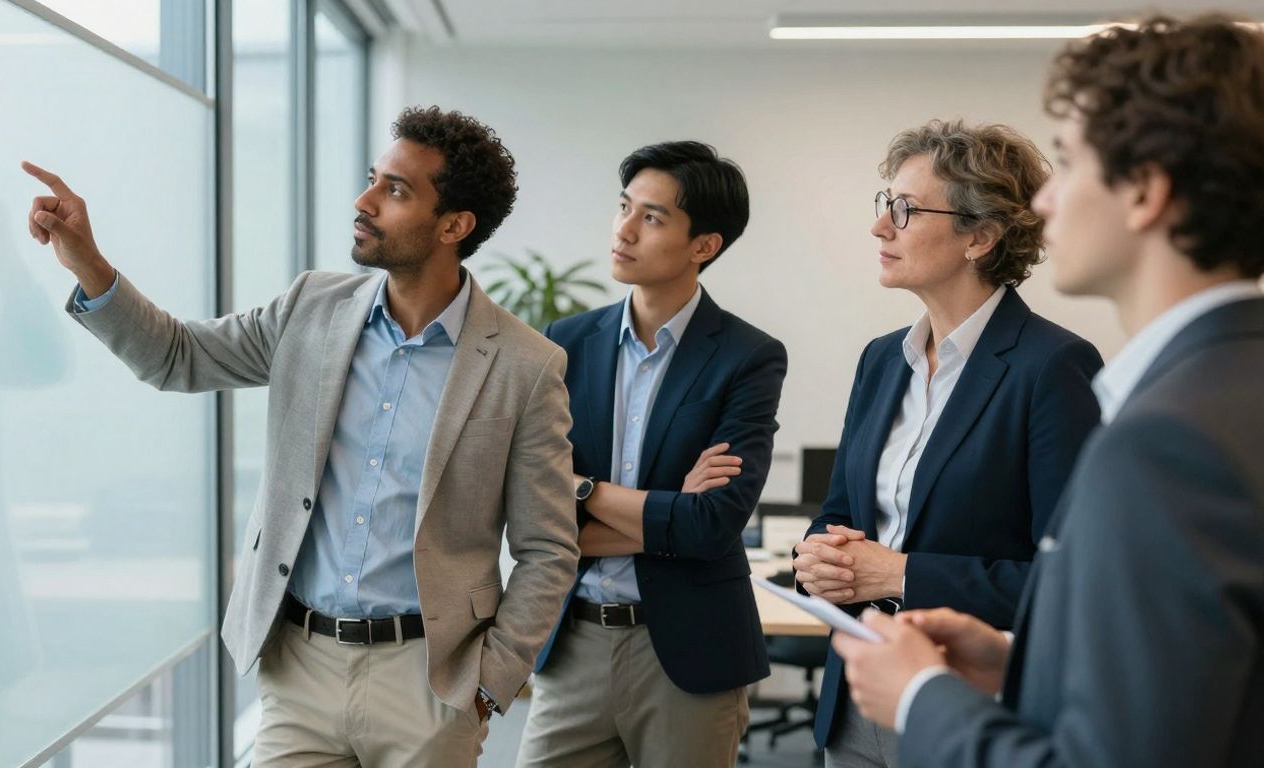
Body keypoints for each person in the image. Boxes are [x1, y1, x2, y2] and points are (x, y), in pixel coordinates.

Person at [22, 106, 581, 767]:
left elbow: (548, 548)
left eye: (395, 191)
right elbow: (176, 356)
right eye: (375, 179)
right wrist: (87, 262)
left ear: (455, 226)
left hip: (430, 679)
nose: (364, 201)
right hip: (299, 670)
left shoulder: (525, 363)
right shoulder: (310, 309)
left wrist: (489, 683)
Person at [832, 15, 1264, 768]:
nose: (1042, 203)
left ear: (1145, 193)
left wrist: (920, 698)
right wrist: (1016, 662)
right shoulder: (1220, 391)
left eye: (1067, 163)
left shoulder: (1167, 438)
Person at [793, 120, 1102, 766]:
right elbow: (842, 515)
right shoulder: (882, 361)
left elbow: (1067, 583)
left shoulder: (1052, 367)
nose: (881, 228)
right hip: (855, 698)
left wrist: (900, 573)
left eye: (903, 210)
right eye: (885, 206)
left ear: (980, 237)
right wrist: (822, 558)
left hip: (969, 710)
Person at [515, 141, 788, 767]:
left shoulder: (748, 356)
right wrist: (668, 514)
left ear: (704, 246)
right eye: (623, 207)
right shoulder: (564, 343)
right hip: (575, 641)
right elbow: (533, 520)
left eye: (653, 217)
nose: (624, 230)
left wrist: (582, 491)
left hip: (690, 653)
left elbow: (713, 524)